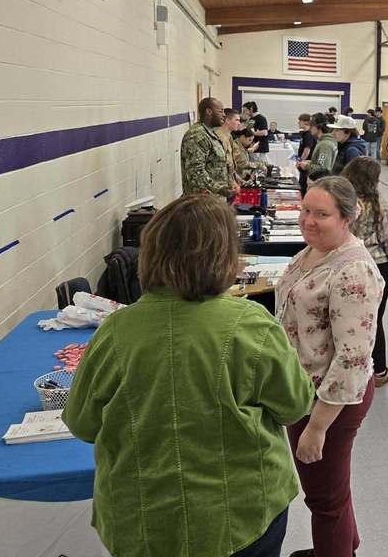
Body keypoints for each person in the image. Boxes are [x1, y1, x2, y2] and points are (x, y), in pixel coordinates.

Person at [63, 195, 314, 557]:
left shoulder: (115, 331)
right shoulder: (251, 325)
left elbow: (82, 423)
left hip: (143, 521)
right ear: (226, 256)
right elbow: (295, 405)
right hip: (241, 515)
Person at [275, 177, 383, 557]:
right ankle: (344, 547)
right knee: (333, 489)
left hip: (330, 399)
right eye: (306, 210)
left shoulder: (353, 272)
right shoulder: (312, 252)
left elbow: (352, 359)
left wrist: (317, 427)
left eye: (322, 214)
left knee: (324, 501)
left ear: (347, 219)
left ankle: (334, 550)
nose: (308, 220)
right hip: (303, 388)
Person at [341, 158, 388, 388]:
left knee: (347, 316)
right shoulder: (377, 204)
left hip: (345, 264)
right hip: (376, 266)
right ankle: (379, 371)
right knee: (374, 318)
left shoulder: (340, 200)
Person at [181, 97, 236, 199]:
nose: (224, 115)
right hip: (201, 202)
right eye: (220, 111)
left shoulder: (210, 133)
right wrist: (220, 189)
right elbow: (195, 172)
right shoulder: (197, 135)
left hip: (214, 200)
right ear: (209, 112)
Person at [298, 113, 337, 183]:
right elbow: (321, 163)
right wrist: (310, 162)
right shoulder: (323, 142)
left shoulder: (325, 144)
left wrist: (306, 166)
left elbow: (323, 169)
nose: (309, 128)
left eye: (311, 125)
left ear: (319, 126)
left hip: (320, 183)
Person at [297, 113, 316, 196]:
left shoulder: (308, 134)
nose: (298, 123)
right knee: (302, 183)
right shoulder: (304, 133)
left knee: (304, 185)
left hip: (307, 163)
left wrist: (300, 161)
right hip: (304, 163)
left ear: (306, 122)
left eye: (300, 121)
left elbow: (307, 150)